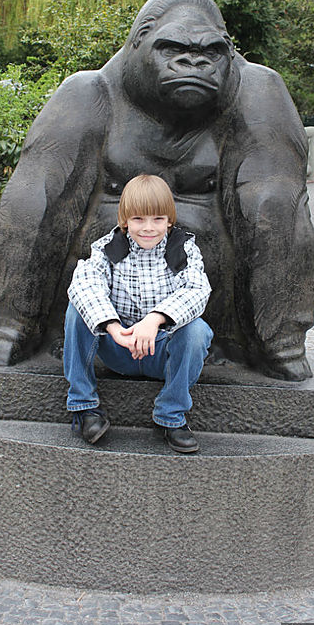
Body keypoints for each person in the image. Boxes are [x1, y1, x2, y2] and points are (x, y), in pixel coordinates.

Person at [63, 174, 213, 454]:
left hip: (161, 352)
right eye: (139, 220)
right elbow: (84, 284)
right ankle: (84, 408)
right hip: (120, 348)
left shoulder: (183, 249)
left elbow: (197, 289)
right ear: (125, 221)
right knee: (77, 310)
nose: (148, 228)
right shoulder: (107, 249)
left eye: (157, 219)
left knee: (198, 330)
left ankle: (171, 415)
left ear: (169, 220)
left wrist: (155, 319)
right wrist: (112, 327)